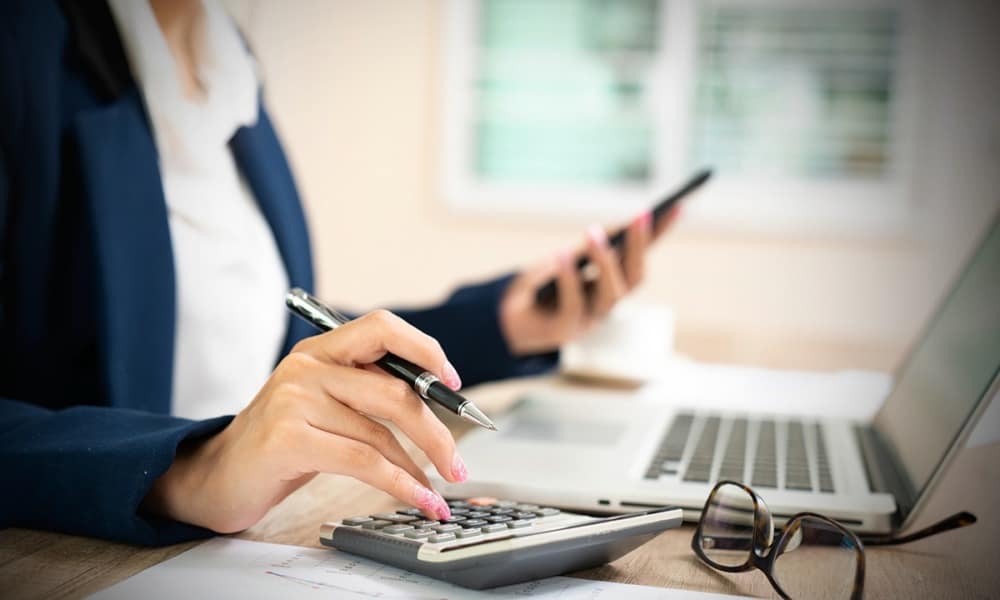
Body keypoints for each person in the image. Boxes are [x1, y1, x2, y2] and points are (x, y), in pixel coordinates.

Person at [0, 0, 667, 545]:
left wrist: (508, 324)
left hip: (264, 539)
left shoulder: (227, 65)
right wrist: (186, 469)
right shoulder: (22, 47)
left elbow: (278, 337)